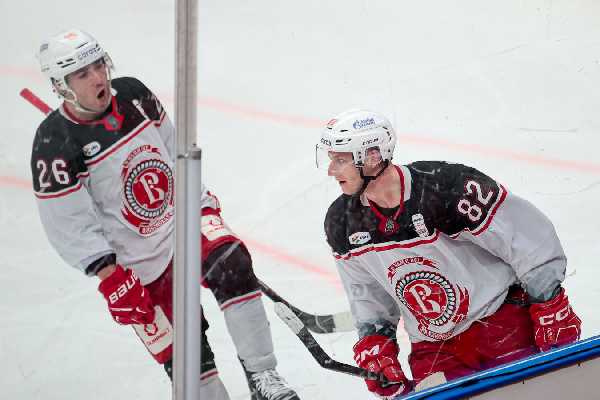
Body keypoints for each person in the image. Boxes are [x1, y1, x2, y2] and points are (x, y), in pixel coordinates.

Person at [31, 28, 299, 400]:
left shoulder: (133, 94)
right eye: (83, 74)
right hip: (139, 263)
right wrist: (110, 278)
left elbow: (176, 151)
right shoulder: (54, 143)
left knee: (232, 262)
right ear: (61, 87)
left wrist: (202, 205)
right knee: (190, 366)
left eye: (98, 65)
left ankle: (263, 378)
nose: (98, 78)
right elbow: (69, 225)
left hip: (183, 225)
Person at [315, 109, 582, 399]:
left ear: (372, 156)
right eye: (331, 160)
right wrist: (377, 343)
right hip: (433, 349)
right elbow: (366, 294)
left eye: (340, 160)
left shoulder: (445, 187)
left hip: (500, 322)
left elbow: (527, 238)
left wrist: (549, 304)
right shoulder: (342, 222)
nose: (332, 171)